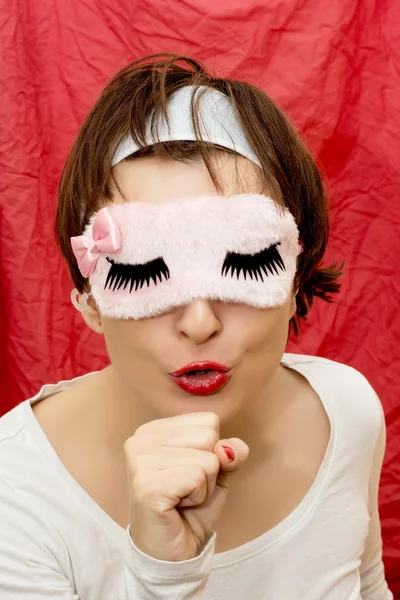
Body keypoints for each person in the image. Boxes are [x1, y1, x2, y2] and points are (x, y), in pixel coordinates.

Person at [0, 53, 392, 599]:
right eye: (141, 271)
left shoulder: (349, 409)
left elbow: (368, 584)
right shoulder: (13, 491)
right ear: (88, 299)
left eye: (249, 262)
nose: (200, 323)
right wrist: (164, 577)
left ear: (296, 278)